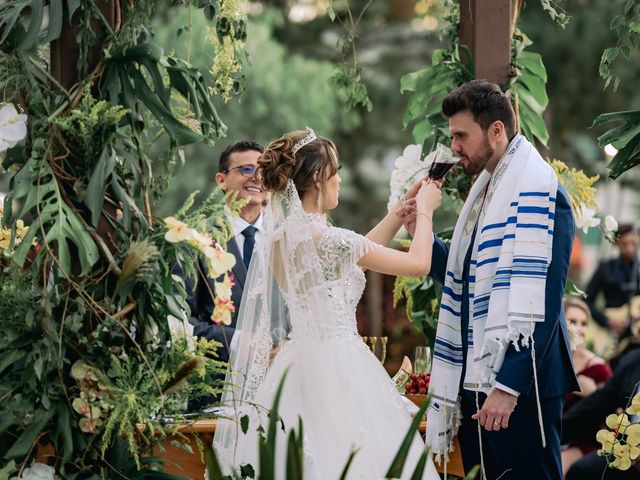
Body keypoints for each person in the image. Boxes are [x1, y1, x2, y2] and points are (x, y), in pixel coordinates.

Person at [213, 128, 442, 479]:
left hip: (297, 366)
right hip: (342, 367)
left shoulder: (281, 238)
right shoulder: (329, 238)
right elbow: (418, 264)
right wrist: (425, 213)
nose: (339, 181)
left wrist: (399, 212)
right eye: (335, 173)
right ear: (318, 180)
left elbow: (357, 253)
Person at [404, 80, 578, 479]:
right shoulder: (486, 193)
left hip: (522, 383)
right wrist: (423, 235)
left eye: (462, 136)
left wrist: (507, 386)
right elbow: (465, 274)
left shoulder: (541, 191)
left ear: (496, 130)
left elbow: (542, 303)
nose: (456, 148)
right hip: (478, 375)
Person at [185, 140, 266, 363]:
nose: (257, 177)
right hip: (219, 385)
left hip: (279, 383)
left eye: (264, 171)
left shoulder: (285, 238)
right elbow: (181, 321)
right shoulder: (195, 240)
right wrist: (239, 342)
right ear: (221, 180)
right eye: (246, 169)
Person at [563, 349, 640, 480]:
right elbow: (595, 405)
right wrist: (552, 432)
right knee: (582, 471)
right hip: (626, 452)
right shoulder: (634, 360)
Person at [561, 297, 612, 476]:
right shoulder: (550, 362)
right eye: (573, 321)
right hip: (550, 438)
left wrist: (594, 394)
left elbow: (614, 417)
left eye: (584, 323)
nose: (580, 329)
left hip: (584, 441)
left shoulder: (598, 369)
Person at [586, 224, 640, 337]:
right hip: (610, 334)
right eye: (625, 244)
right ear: (616, 243)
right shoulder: (605, 267)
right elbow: (587, 300)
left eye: (633, 243)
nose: (630, 248)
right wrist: (606, 321)